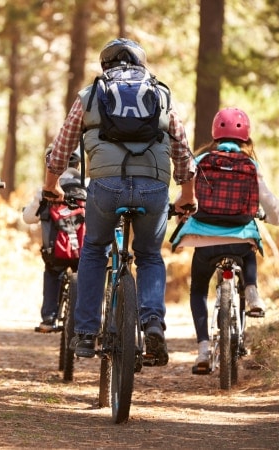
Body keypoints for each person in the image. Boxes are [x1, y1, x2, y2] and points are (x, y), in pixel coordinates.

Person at [43, 38, 197, 367]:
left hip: (106, 187)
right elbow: (182, 148)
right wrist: (187, 193)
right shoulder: (162, 94)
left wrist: (50, 186)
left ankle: (85, 333)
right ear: (142, 64)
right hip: (154, 188)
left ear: (105, 66)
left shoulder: (91, 94)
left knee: (94, 250)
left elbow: (61, 148)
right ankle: (153, 322)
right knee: (150, 255)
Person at [171, 107, 279, 372]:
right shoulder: (250, 164)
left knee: (198, 291)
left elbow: (185, 197)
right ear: (246, 136)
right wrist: (276, 219)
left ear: (215, 133)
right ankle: (252, 290)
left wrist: (179, 214)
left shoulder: (201, 160)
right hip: (239, 236)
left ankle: (202, 351)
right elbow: (269, 201)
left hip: (205, 238)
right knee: (249, 248)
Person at [22, 146, 84, 332]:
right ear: (78, 164)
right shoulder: (87, 186)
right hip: (84, 251)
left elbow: (28, 218)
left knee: (52, 272)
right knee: (90, 275)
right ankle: (90, 322)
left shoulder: (45, 191)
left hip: (55, 251)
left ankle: (49, 317)